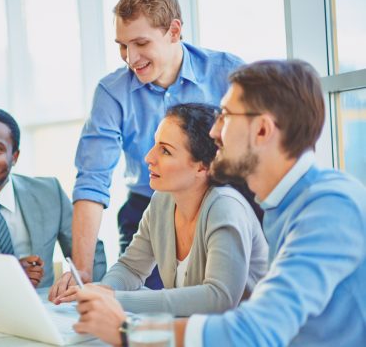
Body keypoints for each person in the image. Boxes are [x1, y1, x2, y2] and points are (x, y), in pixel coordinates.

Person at [72, 60, 366, 347]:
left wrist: (128, 331)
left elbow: (256, 330)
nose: (214, 131)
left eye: (226, 115)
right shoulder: (281, 206)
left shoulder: (329, 208)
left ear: (262, 130)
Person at [50, 0, 244, 296]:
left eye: (141, 43)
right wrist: (82, 271)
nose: (130, 57)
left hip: (221, 201)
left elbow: (261, 147)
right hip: (148, 209)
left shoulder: (227, 73)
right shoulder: (112, 92)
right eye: (122, 45)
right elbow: (92, 180)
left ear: (174, 31)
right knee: (142, 308)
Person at [51, 103, 268, 316]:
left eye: (165, 150)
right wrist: (102, 292)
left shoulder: (226, 207)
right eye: (155, 144)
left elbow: (218, 298)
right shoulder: (162, 201)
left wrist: (115, 299)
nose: (149, 157)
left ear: (203, 166)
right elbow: (131, 268)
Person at [0, 108, 106, 298]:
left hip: (48, 311)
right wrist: (7, 278)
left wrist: (85, 296)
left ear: (14, 157)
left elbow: (92, 253)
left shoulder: (49, 192)